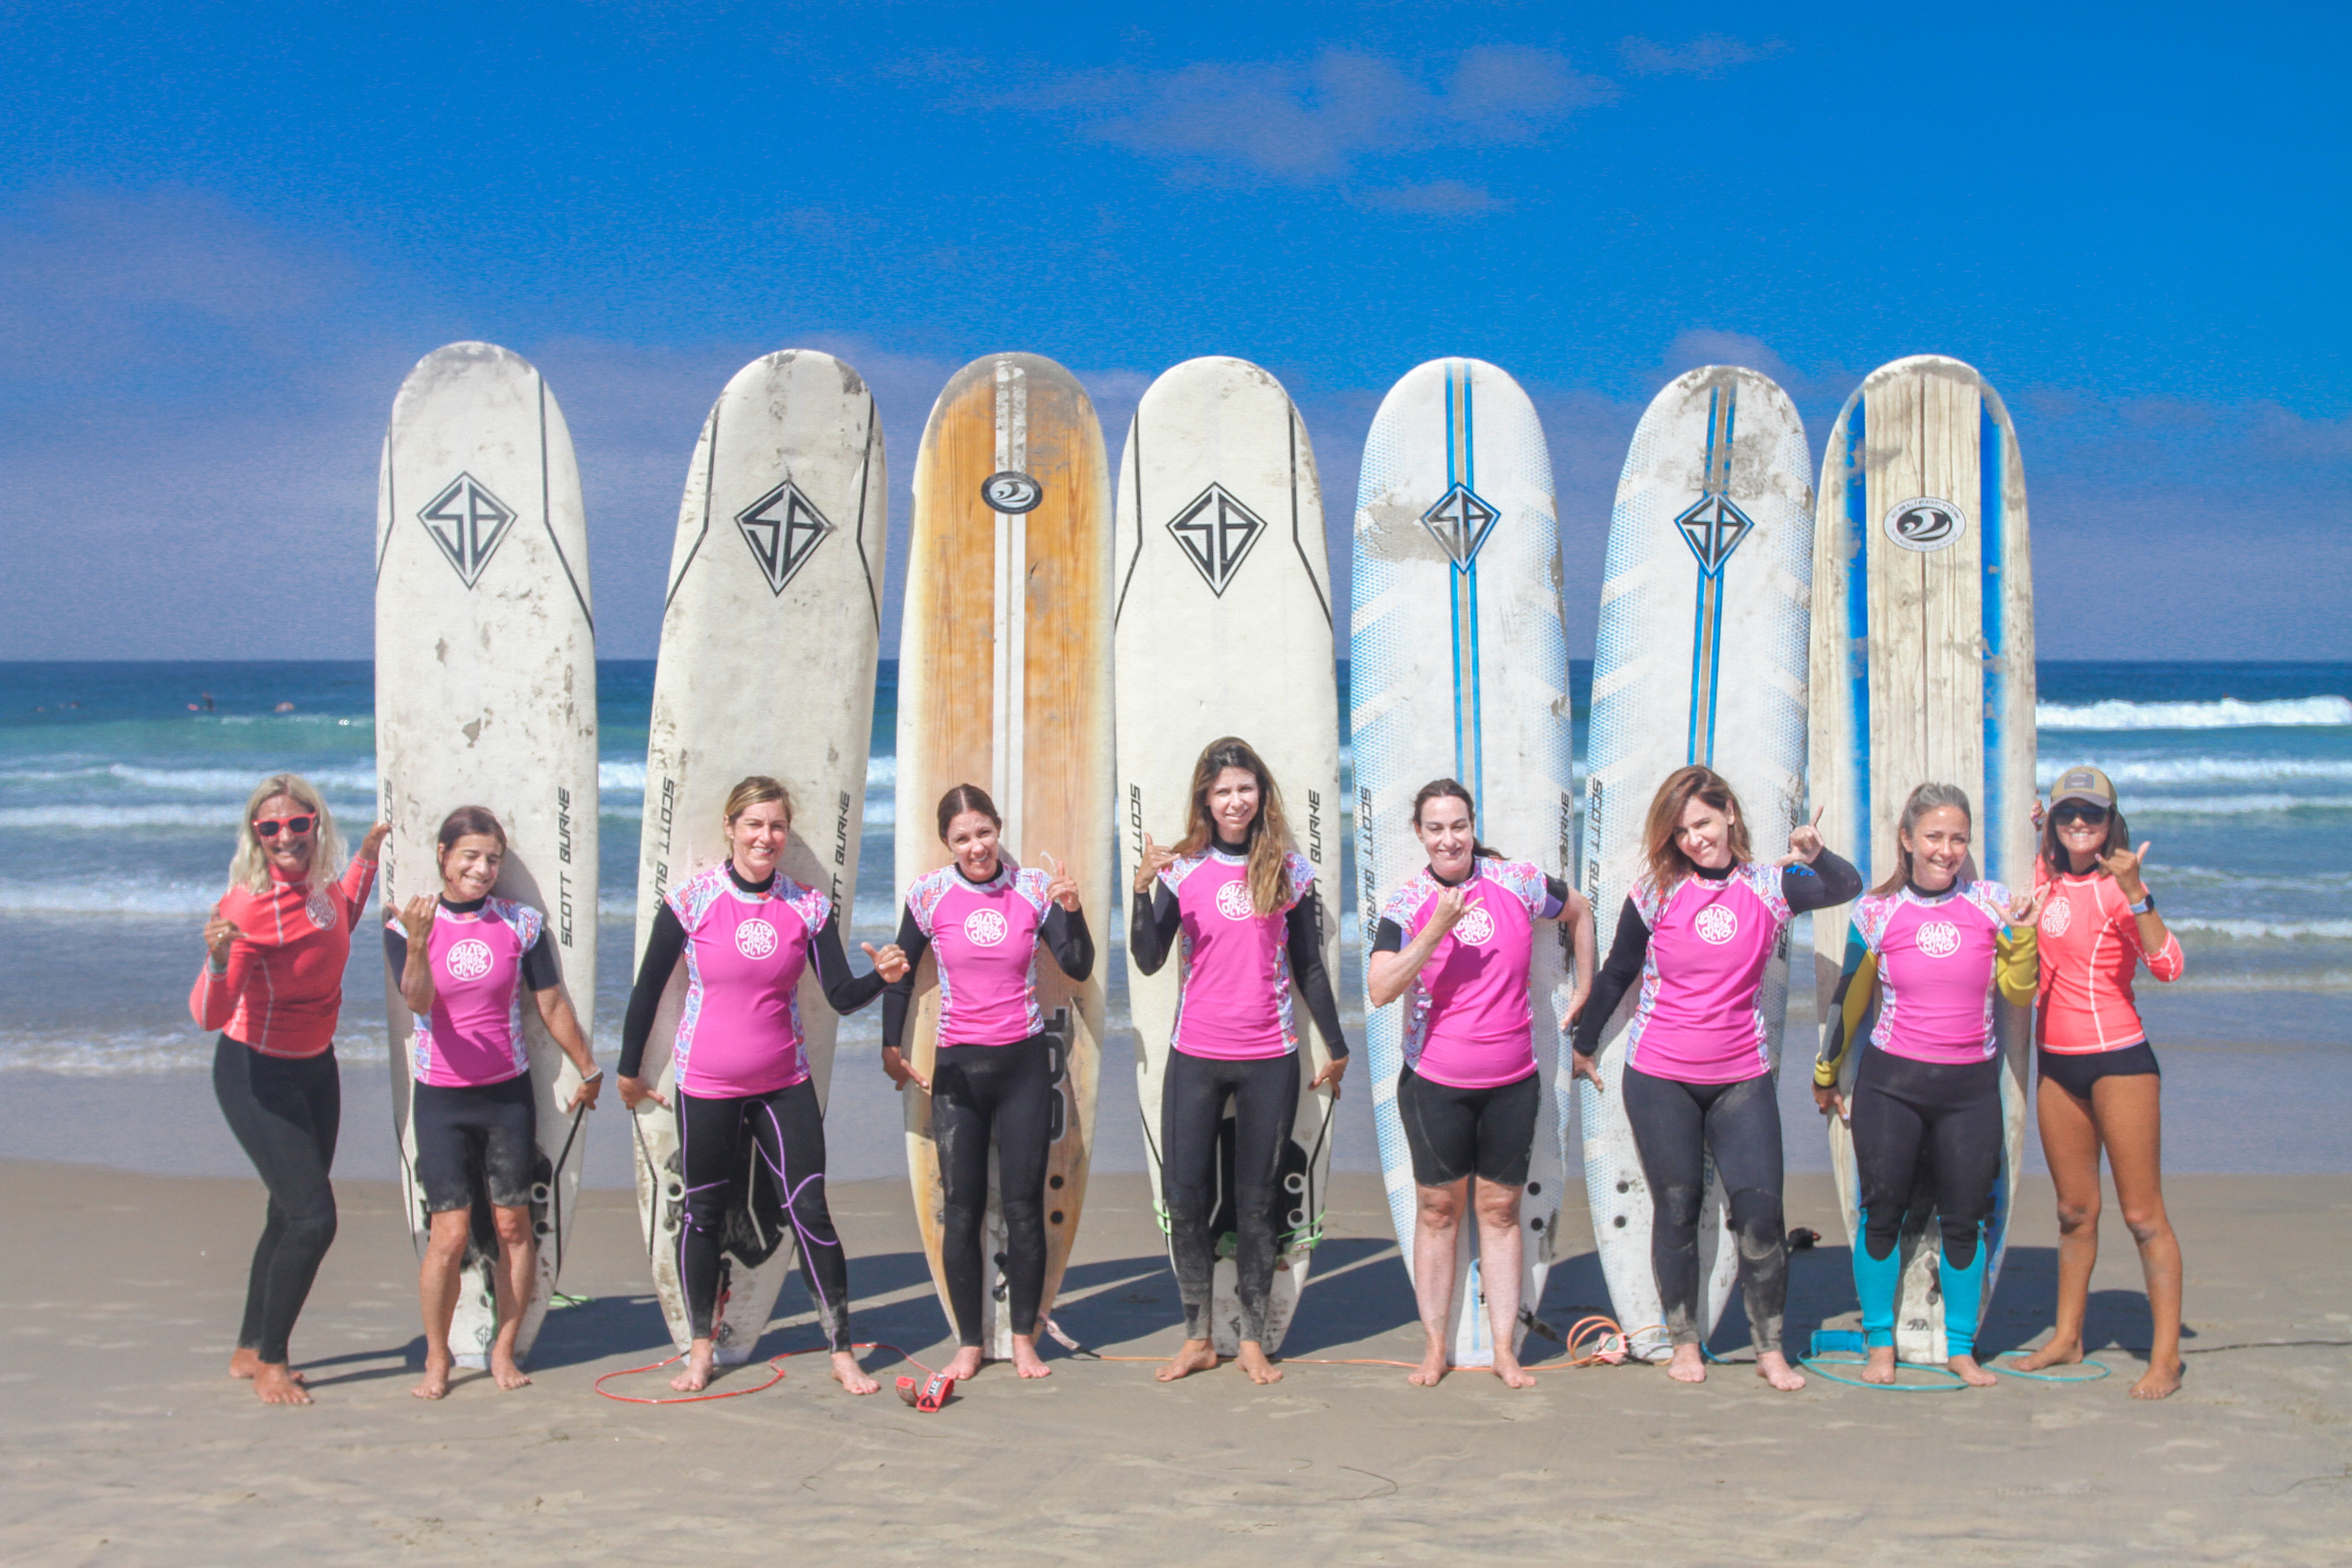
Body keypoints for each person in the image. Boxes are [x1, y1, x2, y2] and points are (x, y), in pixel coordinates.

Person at [1571, 767, 1860, 1391]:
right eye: (1681, 831)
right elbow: (1620, 971)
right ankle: (1683, 1342)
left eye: (1702, 823)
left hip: (1742, 1078)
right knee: (1677, 1209)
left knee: (1760, 1216)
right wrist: (1585, 1044)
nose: (1694, 839)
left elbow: (1847, 886)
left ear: (1729, 813)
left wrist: (1817, 854)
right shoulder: (1656, 891)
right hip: (1659, 1077)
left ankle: (1770, 1348)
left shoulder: (1772, 886)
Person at [616, 777, 905, 1395]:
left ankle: (841, 1350)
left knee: (811, 1212)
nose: (765, 837)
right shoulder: (692, 901)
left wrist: (880, 978)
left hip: (784, 1082)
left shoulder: (807, 906)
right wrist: (628, 1069)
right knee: (702, 1216)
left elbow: (838, 995)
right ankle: (700, 1351)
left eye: (776, 827)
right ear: (731, 827)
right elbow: (648, 990)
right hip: (706, 1084)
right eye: (754, 825)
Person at [1128, 737, 1350, 1385]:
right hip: (1195, 1053)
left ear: (1261, 795)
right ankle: (1198, 1335)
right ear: (1206, 798)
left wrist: (1335, 1045)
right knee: (1185, 1197)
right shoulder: (1180, 870)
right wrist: (1142, 892)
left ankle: (1251, 1337)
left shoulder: (1288, 870)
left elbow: (1308, 964)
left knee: (1256, 1203)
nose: (1235, 801)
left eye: (1245, 789)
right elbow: (1146, 957)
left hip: (1269, 1056)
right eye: (1223, 791)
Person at [1367, 779, 1595, 1388]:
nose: (1449, 838)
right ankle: (1435, 1347)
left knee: (1500, 1212)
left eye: (1459, 825)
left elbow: (1579, 909)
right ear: (1420, 834)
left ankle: (1504, 1350)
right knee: (1439, 1211)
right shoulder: (1406, 901)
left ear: (1473, 827)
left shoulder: (1516, 882)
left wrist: (1586, 990)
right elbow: (1381, 988)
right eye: (1436, 828)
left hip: (1513, 1081)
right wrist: (1438, 928)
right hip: (1434, 1083)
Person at [1813, 782, 2042, 1387]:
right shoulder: (1877, 912)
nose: (1947, 849)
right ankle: (1881, 1344)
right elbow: (1850, 1001)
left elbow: (2020, 993)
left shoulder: (1994, 904)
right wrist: (1827, 1071)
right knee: (1882, 1212)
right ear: (1908, 839)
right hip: (1893, 1085)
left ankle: (1961, 1346)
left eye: (1959, 838)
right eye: (1935, 836)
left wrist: (2021, 939)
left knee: (1967, 1218)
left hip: (1969, 1089)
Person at [384, 806, 603, 1400]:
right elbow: (420, 1003)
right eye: (471, 857)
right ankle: (438, 1358)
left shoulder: (520, 924)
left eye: (493, 860)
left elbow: (551, 1003)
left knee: (512, 1225)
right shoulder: (407, 926)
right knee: (449, 1236)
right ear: (443, 856)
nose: (482, 869)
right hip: (441, 1100)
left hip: (507, 1093)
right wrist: (421, 943)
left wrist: (587, 1065)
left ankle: (503, 1349)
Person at [881, 784, 1093, 1382]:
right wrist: (891, 1046)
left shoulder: (1030, 888)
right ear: (946, 843)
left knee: (1026, 1206)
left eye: (984, 833)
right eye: (962, 838)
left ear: (998, 829)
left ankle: (1024, 1339)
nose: (976, 847)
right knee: (963, 1207)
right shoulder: (928, 894)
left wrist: (1071, 911)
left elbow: (1077, 966)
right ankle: (970, 1342)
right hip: (958, 1071)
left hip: (1025, 1063)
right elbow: (900, 975)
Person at [192, 773, 388, 1406]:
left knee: (288, 1209)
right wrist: (219, 963)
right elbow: (209, 1015)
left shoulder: (320, 891)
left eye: (298, 824)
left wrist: (367, 857)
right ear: (256, 835)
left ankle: (250, 1348)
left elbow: (343, 915)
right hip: (256, 1074)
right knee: (313, 1217)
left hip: (315, 1067)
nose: (285, 836)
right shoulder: (246, 908)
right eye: (270, 827)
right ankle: (274, 1361)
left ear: (315, 826)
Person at [2012, 765, 2188, 1397]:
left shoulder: (2121, 888)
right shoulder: (2047, 880)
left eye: (2091, 813)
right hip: (2057, 1065)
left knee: (2143, 1216)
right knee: (2072, 1211)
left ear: (2113, 820)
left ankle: (2165, 1358)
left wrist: (2139, 893)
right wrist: (2036, 830)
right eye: (2067, 814)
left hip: (2121, 1063)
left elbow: (2170, 967)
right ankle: (2067, 1337)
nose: (2079, 823)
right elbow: (2037, 884)